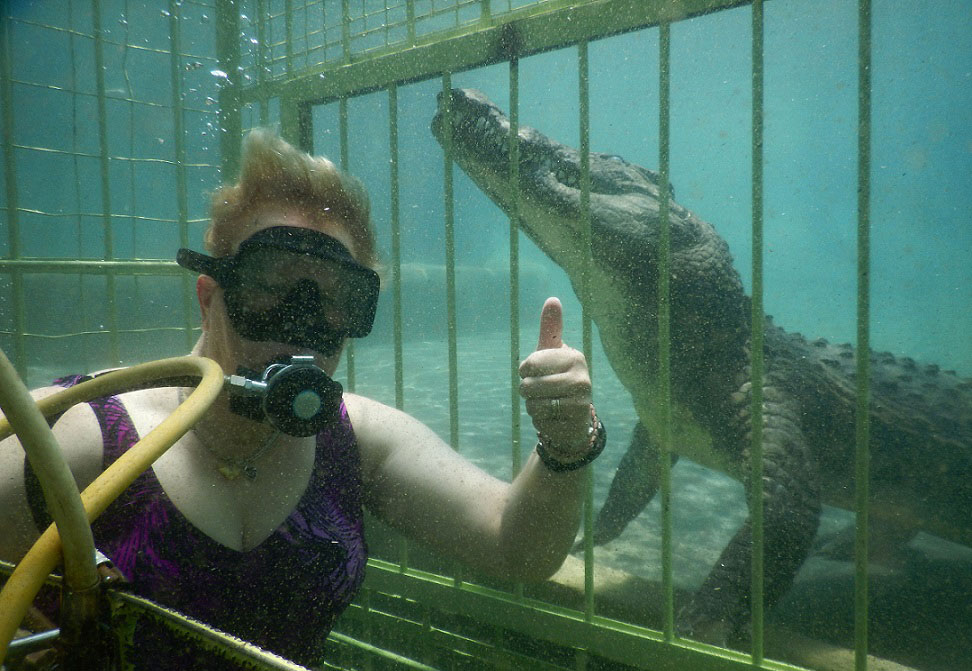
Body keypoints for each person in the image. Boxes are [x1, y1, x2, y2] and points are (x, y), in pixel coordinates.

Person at [0, 129, 605, 666]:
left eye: (333, 298)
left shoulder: (357, 440)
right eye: (269, 286)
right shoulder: (82, 437)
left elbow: (516, 547)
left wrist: (567, 441)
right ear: (210, 296)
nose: (300, 322)